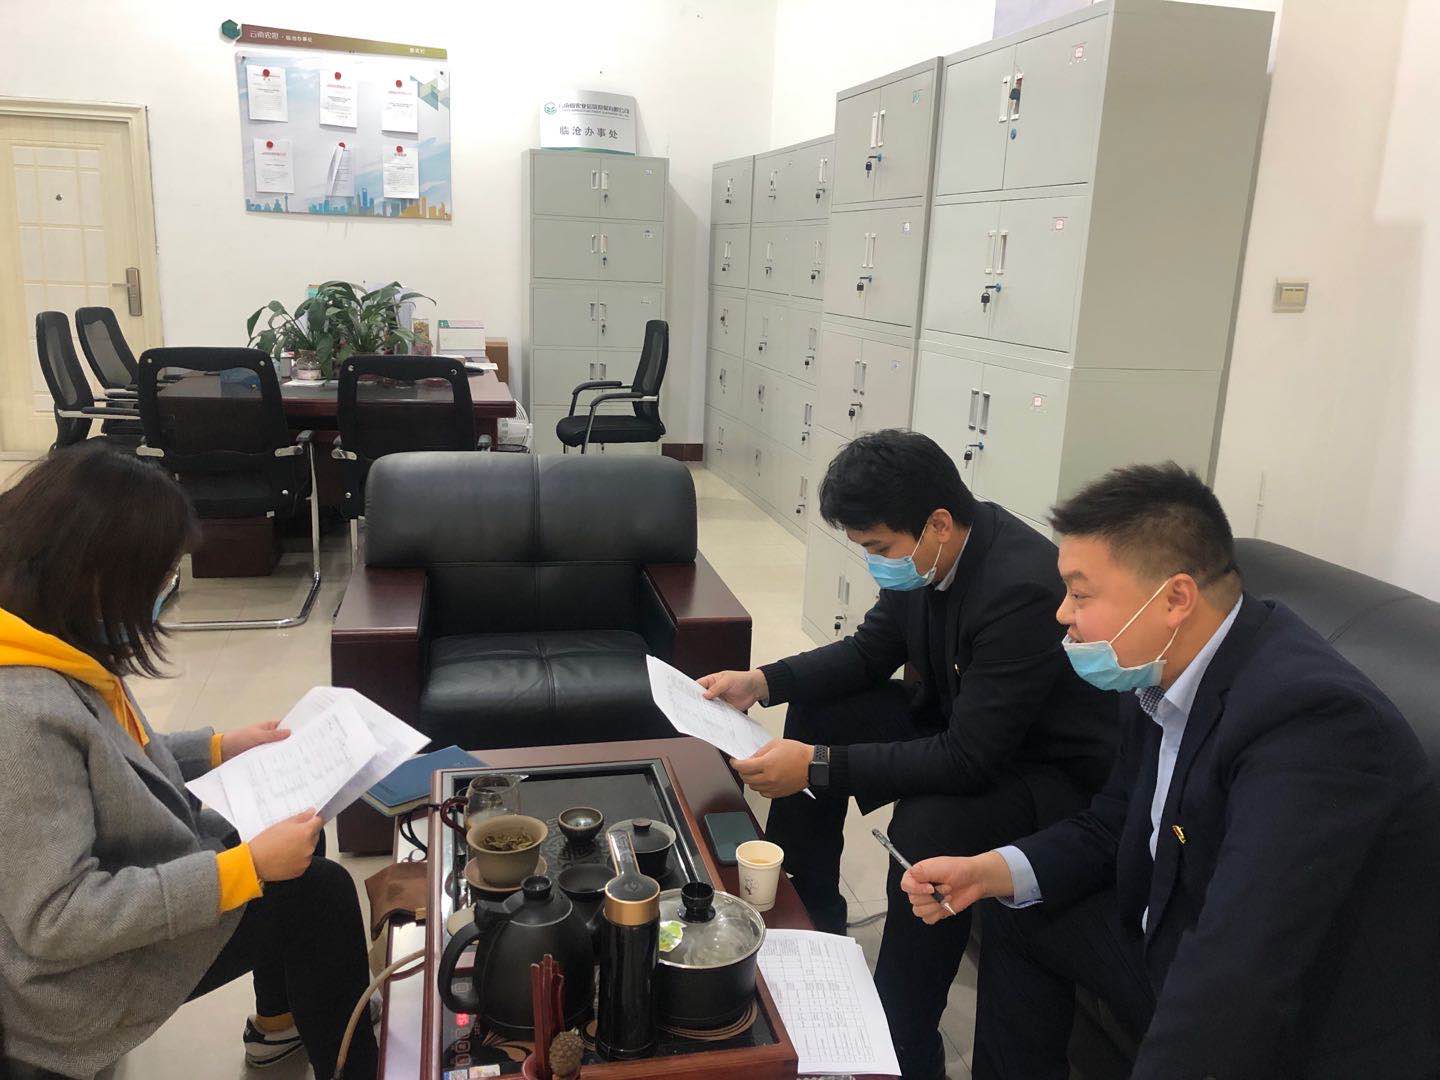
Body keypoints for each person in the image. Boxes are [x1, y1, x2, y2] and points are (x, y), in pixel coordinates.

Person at [900, 462, 1440, 1079]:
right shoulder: (1158, 671)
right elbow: (1115, 822)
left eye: (1080, 593)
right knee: (1016, 908)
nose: (1062, 613)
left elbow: (1240, 967)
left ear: (1176, 598)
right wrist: (991, 870)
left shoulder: (1313, 722)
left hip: (1293, 1019)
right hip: (1172, 937)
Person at [700, 430, 1119, 1078]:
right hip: (966, 721)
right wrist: (762, 682)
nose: (875, 564)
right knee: (822, 709)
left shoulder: (1021, 588)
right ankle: (810, 920)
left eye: (878, 548)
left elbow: (969, 759)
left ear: (938, 525)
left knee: (929, 825)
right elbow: (869, 653)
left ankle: (902, 1042)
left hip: (1042, 771)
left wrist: (815, 766)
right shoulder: (926, 559)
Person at [0, 443, 378, 1080]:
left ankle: (279, 1026)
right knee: (317, 894)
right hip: (63, 988)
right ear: (93, 577)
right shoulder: (19, 713)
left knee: (274, 834)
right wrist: (242, 871)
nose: (162, 596)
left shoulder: (40, 641)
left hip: (110, 887)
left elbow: (101, 758)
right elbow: (58, 921)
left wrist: (216, 747)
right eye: (155, 581)